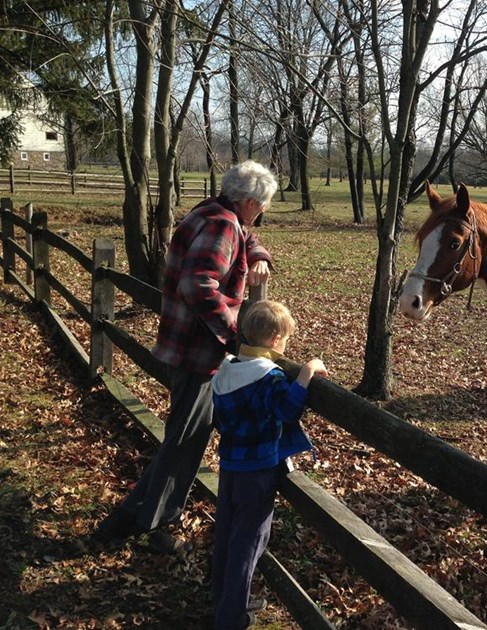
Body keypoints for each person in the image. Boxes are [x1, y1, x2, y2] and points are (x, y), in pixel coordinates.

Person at [93, 160, 278, 554]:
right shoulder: (223, 225)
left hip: (183, 345)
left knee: (182, 437)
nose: (263, 213)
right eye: (262, 206)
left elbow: (245, 239)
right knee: (184, 443)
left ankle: (126, 517)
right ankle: (155, 525)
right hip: (198, 351)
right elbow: (199, 285)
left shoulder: (211, 212)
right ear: (248, 202)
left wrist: (258, 253)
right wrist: (235, 332)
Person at [210, 300, 327, 630]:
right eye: (286, 338)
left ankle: (223, 598)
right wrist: (306, 372)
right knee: (250, 542)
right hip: (257, 471)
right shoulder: (267, 377)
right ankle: (231, 618)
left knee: (227, 534)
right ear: (276, 338)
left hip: (231, 465)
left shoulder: (228, 370)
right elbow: (287, 410)